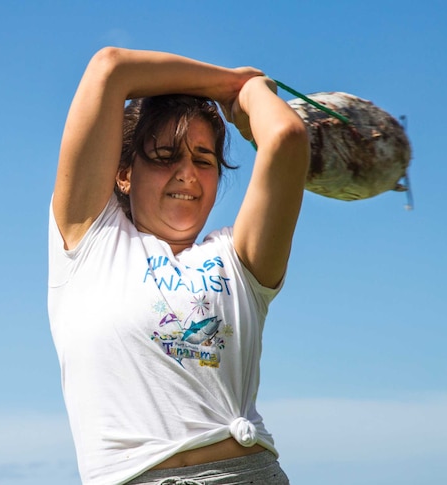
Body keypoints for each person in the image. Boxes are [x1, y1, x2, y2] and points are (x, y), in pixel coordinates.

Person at [48, 47, 310, 485]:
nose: (187, 173)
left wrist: (251, 97)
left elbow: (285, 136)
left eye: (203, 160)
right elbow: (110, 68)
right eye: (166, 155)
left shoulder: (238, 259)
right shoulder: (89, 243)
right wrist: (229, 83)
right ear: (124, 173)